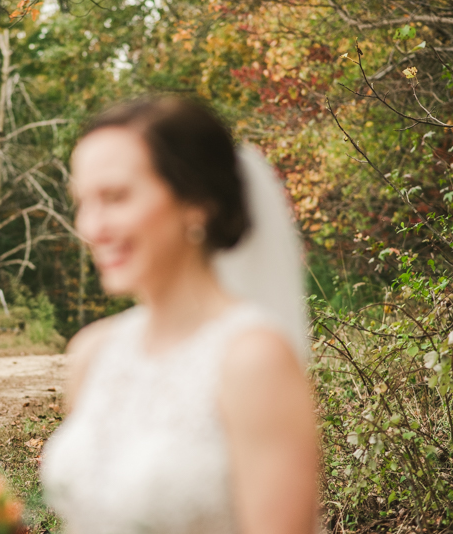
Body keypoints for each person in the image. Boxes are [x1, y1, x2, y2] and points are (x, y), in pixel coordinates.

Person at [41, 98, 318, 534]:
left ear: (196, 201)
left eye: (115, 197)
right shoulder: (93, 353)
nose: (92, 227)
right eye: (83, 202)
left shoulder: (254, 361)